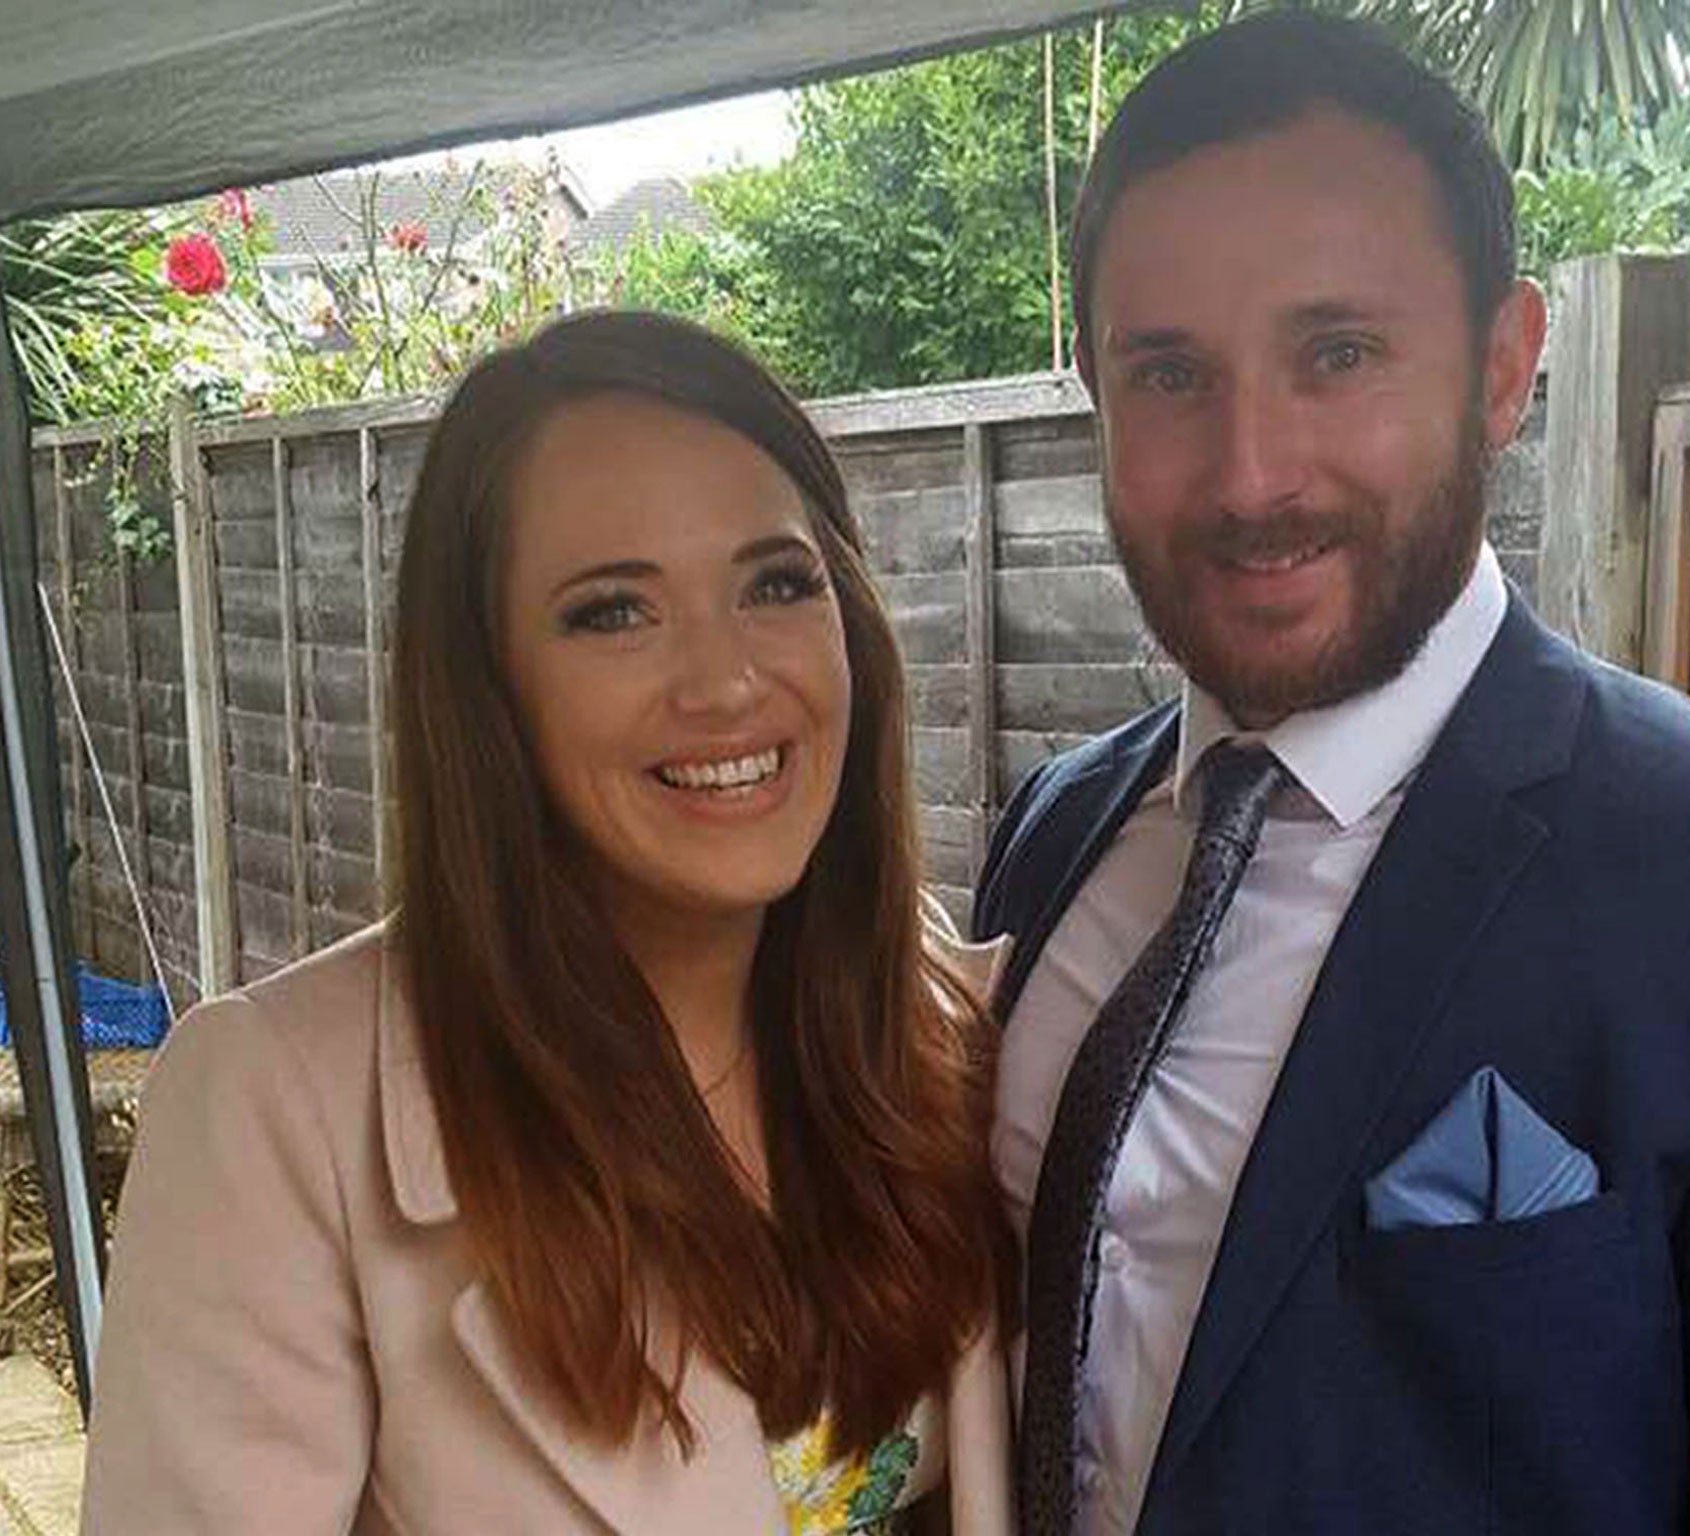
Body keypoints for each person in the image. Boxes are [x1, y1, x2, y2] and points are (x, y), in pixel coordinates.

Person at [974, 14, 1690, 1536]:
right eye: (1167, 374)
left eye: (1337, 353)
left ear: (1503, 368)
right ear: (1091, 386)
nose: (1252, 472)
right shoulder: (1059, 835)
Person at [84, 311, 1015, 1535]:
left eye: (776, 583)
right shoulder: (275, 1108)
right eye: (613, 613)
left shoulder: (935, 1014)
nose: (728, 682)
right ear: (488, 690)